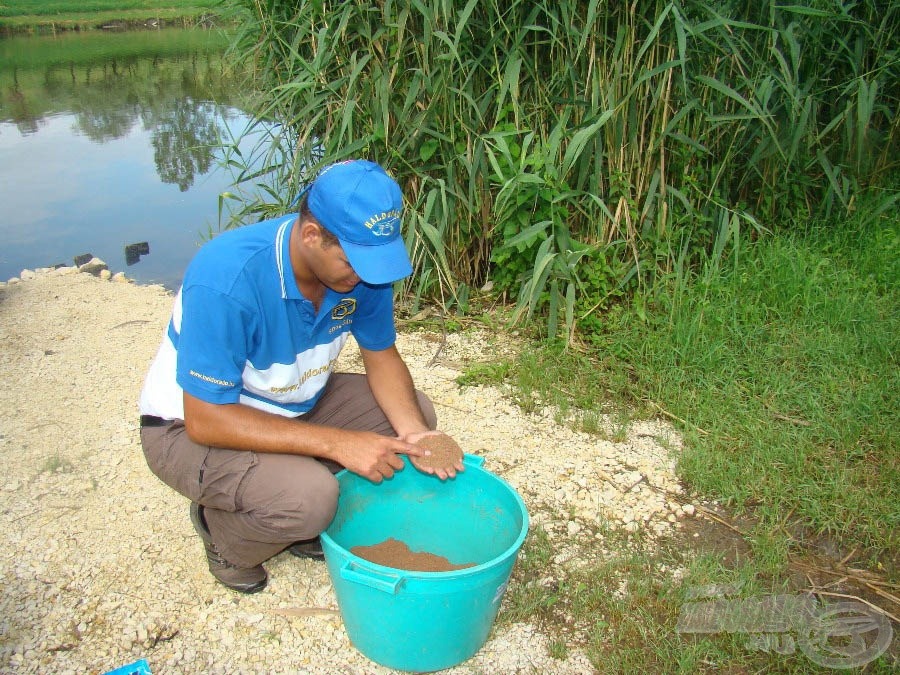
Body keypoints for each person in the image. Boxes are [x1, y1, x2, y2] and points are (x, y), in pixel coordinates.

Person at [138, 159, 463, 593]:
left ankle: (290, 505)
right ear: (311, 235)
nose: (367, 275)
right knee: (311, 499)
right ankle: (221, 534)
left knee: (413, 414)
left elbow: (382, 357)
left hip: (290, 405)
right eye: (354, 261)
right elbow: (206, 420)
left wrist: (415, 434)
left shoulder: (360, 275)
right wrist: (338, 443)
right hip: (187, 429)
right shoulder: (227, 278)